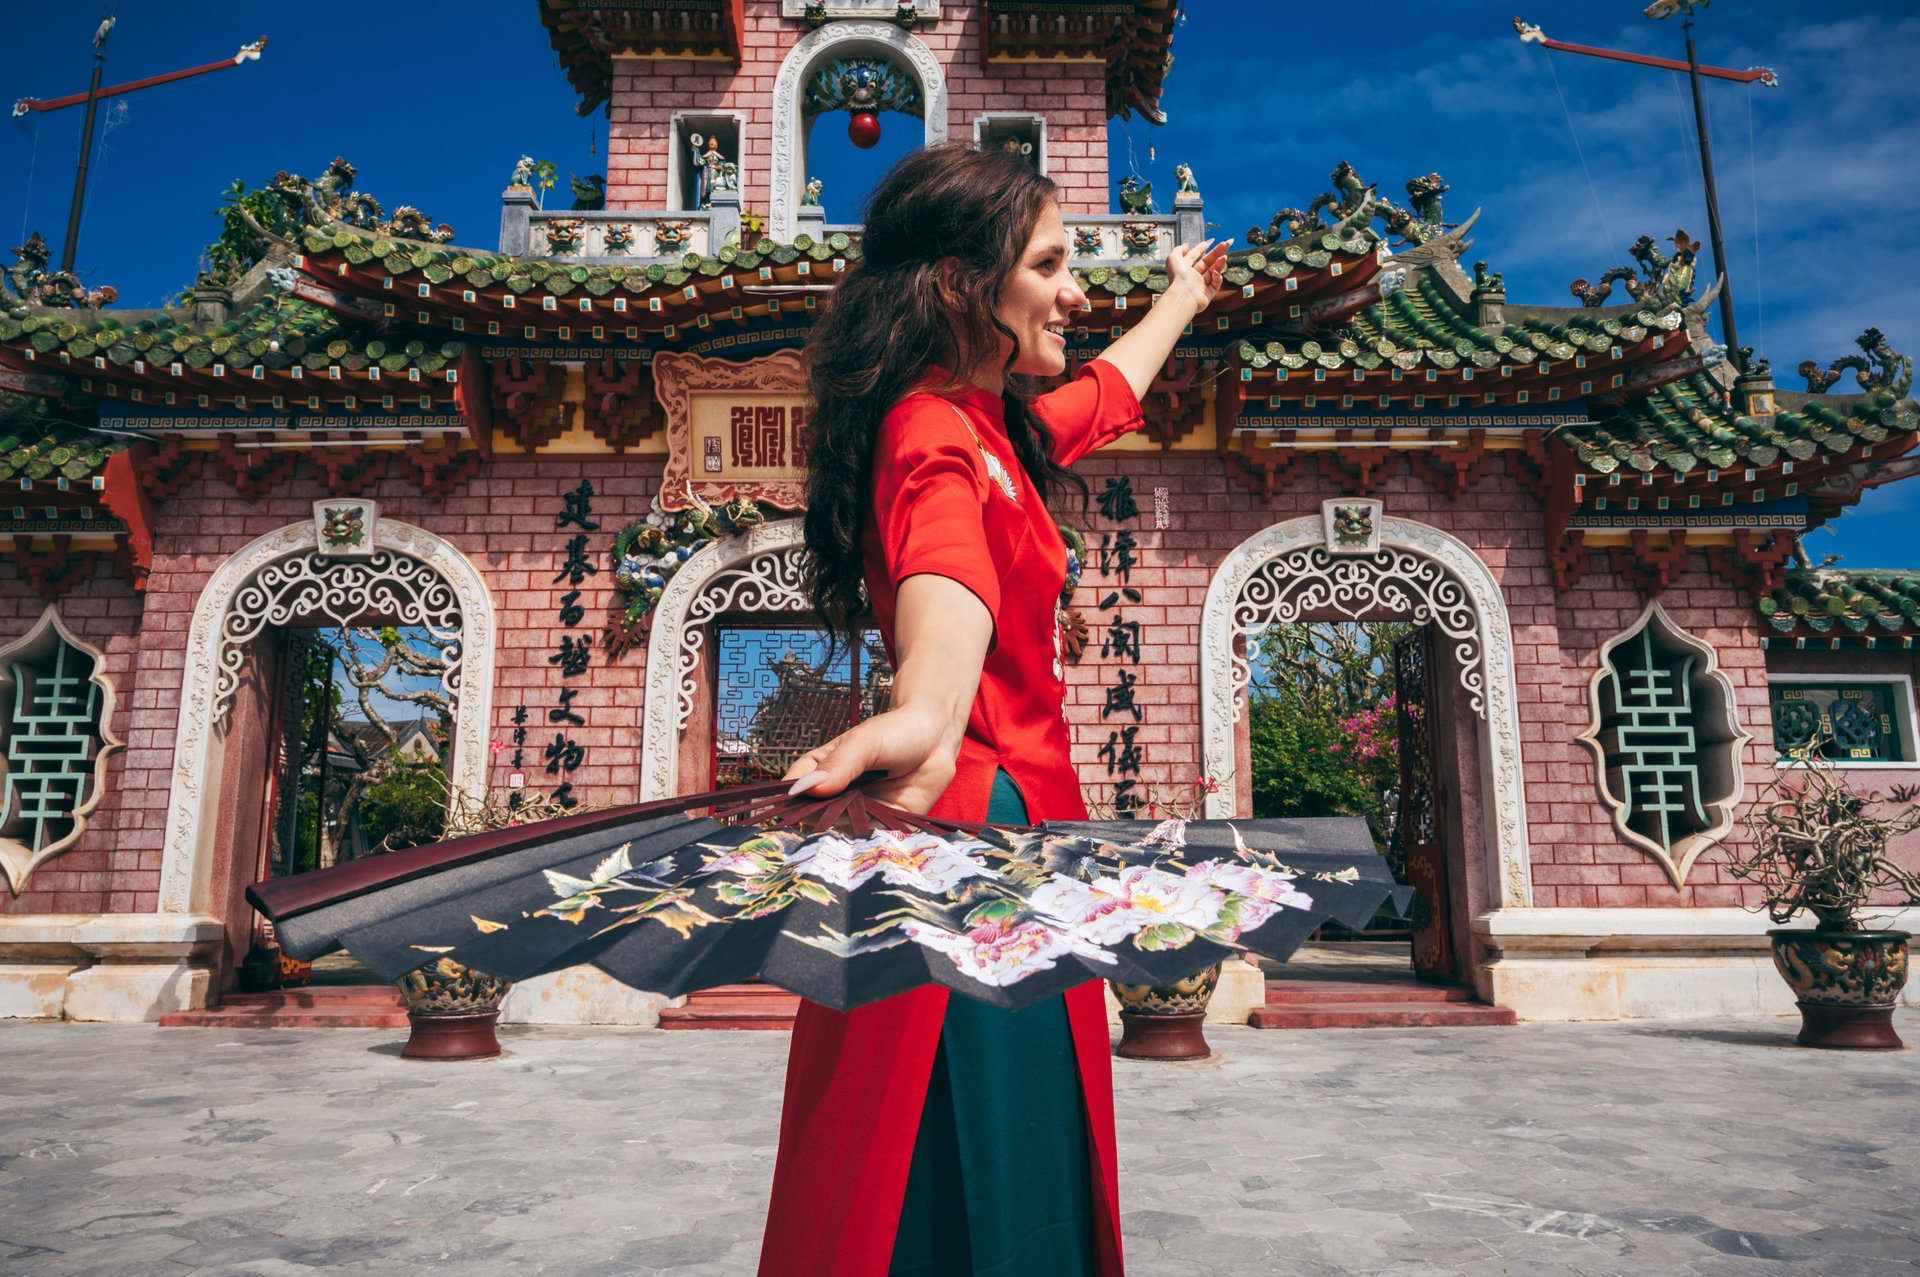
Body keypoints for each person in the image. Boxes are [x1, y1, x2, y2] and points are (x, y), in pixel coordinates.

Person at [759, 142, 1229, 1277]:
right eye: (1054, 263)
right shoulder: (932, 433)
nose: (1078, 290)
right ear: (968, 284)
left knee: (1003, 1165)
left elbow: (1108, 395)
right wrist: (921, 712)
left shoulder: (998, 430)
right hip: (968, 843)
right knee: (970, 1175)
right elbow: (948, 588)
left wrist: (1182, 297)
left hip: (1021, 831)